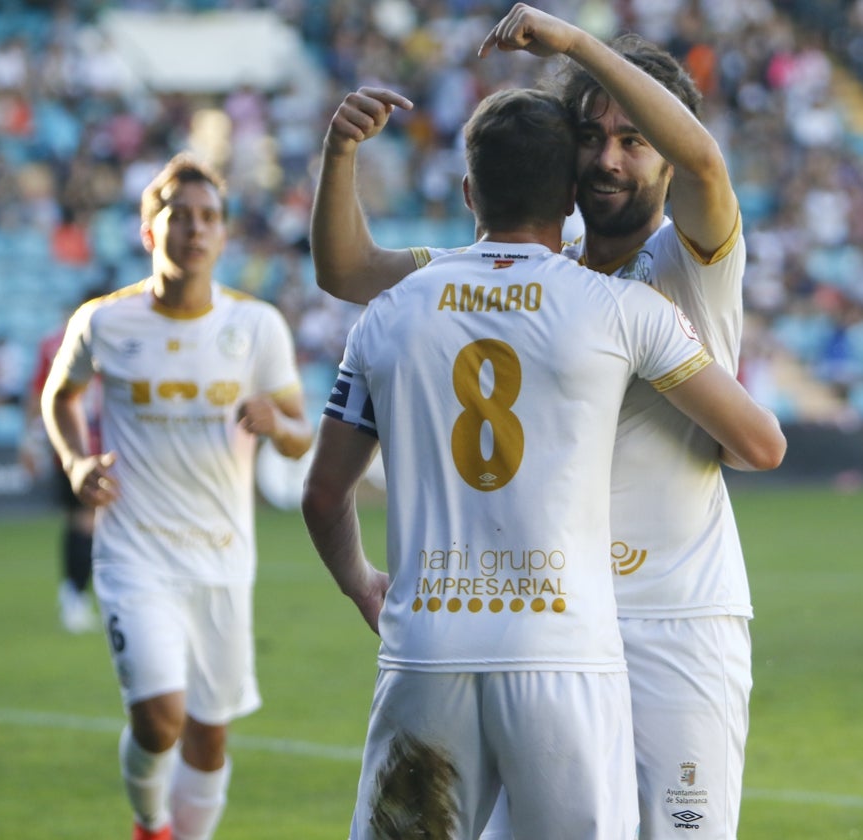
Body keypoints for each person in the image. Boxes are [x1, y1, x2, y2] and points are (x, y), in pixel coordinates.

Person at [311, 5, 757, 838]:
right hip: (551, 626)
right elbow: (348, 269)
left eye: (634, 140)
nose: (609, 157)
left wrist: (581, 45)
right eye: (591, 135)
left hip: (672, 616)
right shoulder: (540, 267)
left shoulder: (692, 253)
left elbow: (704, 158)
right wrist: (339, 153)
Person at [40, 152, 314, 840]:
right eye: (179, 216)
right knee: (159, 717)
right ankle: (149, 821)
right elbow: (60, 395)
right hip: (135, 553)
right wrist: (76, 461)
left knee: (208, 738)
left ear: (223, 235)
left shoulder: (257, 328)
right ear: (148, 232)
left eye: (209, 218)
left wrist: (275, 423)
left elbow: (301, 438)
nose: (195, 230)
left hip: (222, 557)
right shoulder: (105, 322)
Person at [20, 289, 107, 634]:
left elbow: (37, 394)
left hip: (65, 444)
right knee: (87, 520)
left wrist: (29, 440)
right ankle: (74, 596)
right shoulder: (98, 339)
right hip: (90, 444)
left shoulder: (52, 342)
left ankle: (74, 594)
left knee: (82, 520)